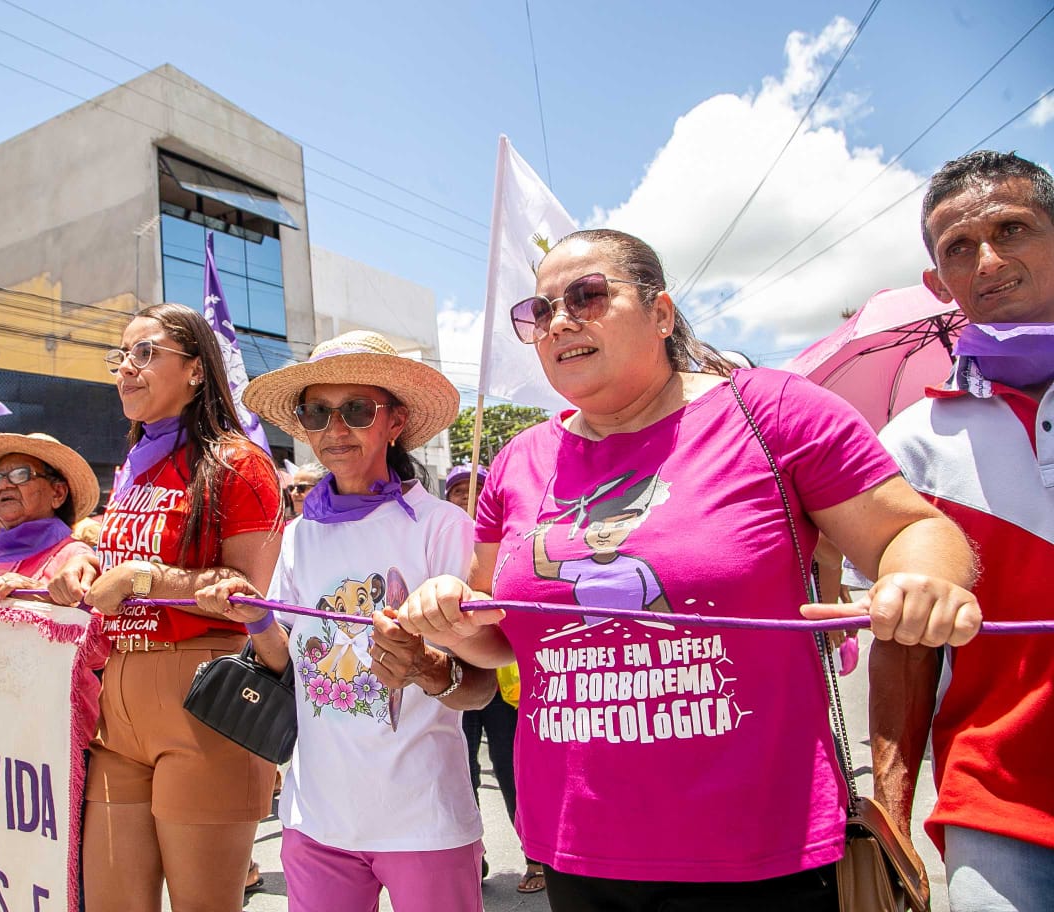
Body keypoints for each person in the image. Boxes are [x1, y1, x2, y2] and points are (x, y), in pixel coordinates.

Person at [395, 228, 982, 912]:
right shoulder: (518, 461)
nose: (559, 321)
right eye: (539, 311)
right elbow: (497, 634)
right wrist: (452, 619)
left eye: (587, 296)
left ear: (661, 313)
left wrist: (920, 579)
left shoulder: (772, 411)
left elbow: (914, 530)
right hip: (577, 847)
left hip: (759, 853)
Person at [196, 330, 494, 912]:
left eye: (356, 410)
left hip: (423, 820)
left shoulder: (441, 528)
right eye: (317, 412)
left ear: (395, 421)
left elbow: (480, 685)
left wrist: (427, 666)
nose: (335, 428)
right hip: (315, 821)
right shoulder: (299, 535)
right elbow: (288, 663)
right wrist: (258, 619)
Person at [861, 151, 1054, 911]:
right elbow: (902, 651)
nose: (991, 260)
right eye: (959, 248)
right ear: (939, 284)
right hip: (992, 797)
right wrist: (892, 818)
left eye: (1014, 229)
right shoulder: (912, 441)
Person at [45, 302, 284, 912]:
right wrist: (80, 547)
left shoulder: (240, 463)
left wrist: (142, 578)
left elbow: (248, 592)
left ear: (198, 370)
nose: (126, 368)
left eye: (145, 353)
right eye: (121, 356)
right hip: (114, 703)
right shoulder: (133, 463)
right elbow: (111, 533)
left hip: (203, 698)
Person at [444, 463, 545, 893]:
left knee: (510, 767)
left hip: (504, 679)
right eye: (458, 489)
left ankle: (535, 856)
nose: (466, 495)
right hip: (452, 675)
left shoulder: (511, 539)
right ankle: (474, 854)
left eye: (476, 488)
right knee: (459, 769)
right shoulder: (439, 535)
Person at [0, 432, 99, 604]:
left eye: (20, 475)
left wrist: (37, 592)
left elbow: (91, 618)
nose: (3, 485)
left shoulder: (76, 556)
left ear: (58, 493)